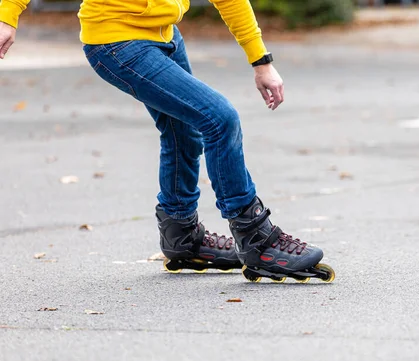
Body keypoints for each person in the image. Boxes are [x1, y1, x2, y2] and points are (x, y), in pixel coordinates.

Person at [0, 0, 335, 283]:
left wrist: (261, 60)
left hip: (166, 36)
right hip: (116, 41)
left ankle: (182, 236)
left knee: (182, 130)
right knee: (219, 118)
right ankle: (256, 238)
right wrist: (6, 14)